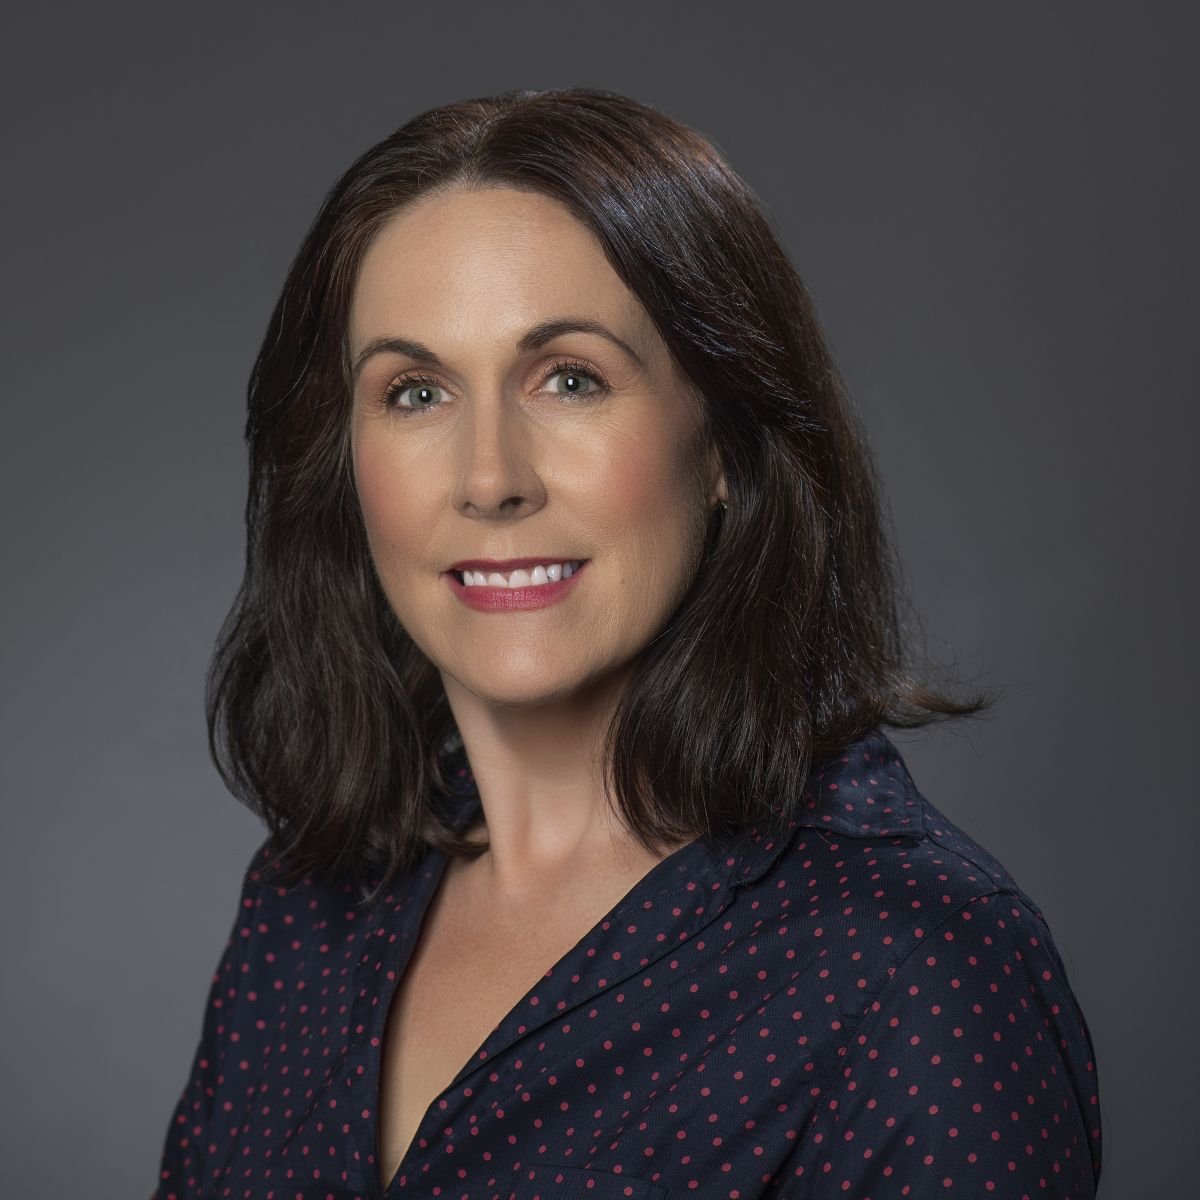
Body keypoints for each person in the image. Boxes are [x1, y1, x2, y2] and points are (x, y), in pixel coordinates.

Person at [151, 87, 1103, 1199]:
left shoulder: (920, 974)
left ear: (723, 445)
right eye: (415, 392)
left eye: (571, 379)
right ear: (342, 463)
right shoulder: (306, 910)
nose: (490, 478)